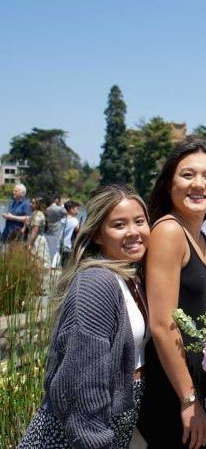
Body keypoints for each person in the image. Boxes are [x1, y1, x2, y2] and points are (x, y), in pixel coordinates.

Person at [18, 184, 150, 448]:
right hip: (76, 438)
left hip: (112, 427)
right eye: (119, 225)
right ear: (98, 235)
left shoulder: (130, 276)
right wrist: (93, 440)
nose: (133, 232)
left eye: (139, 221)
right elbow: (83, 382)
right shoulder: (96, 283)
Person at [137, 140, 206, 449]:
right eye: (188, 175)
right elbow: (162, 325)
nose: (198, 184)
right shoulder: (169, 231)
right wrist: (188, 399)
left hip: (195, 383)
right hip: (172, 388)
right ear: (169, 183)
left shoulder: (205, 240)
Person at [27, 197, 51, 267]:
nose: (31, 204)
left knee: (38, 261)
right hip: (36, 237)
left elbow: (35, 230)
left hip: (36, 239)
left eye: (33, 203)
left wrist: (29, 244)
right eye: (31, 202)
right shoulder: (35, 213)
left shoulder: (38, 214)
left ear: (39, 204)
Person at [46, 196, 67, 264]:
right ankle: (53, 263)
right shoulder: (59, 208)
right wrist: (62, 204)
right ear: (56, 200)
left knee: (48, 246)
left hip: (48, 229)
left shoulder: (47, 208)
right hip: (57, 229)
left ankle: (49, 261)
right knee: (55, 247)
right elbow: (66, 212)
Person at [60, 200, 81, 267]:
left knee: (63, 265)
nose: (78, 211)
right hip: (69, 247)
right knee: (69, 267)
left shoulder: (62, 219)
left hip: (61, 246)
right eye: (77, 209)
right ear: (71, 209)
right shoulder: (74, 220)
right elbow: (79, 231)